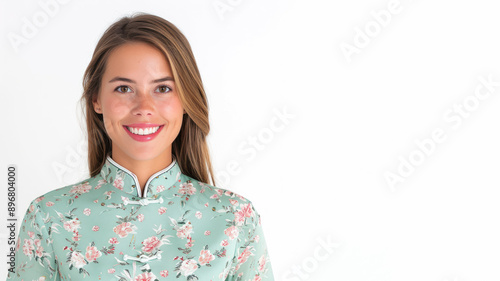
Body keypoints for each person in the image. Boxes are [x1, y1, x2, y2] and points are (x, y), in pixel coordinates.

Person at [6, 12, 274, 281]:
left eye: (163, 89)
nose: (144, 108)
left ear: (186, 99)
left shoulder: (236, 219)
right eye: (124, 89)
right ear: (96, 99)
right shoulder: (48, 217)